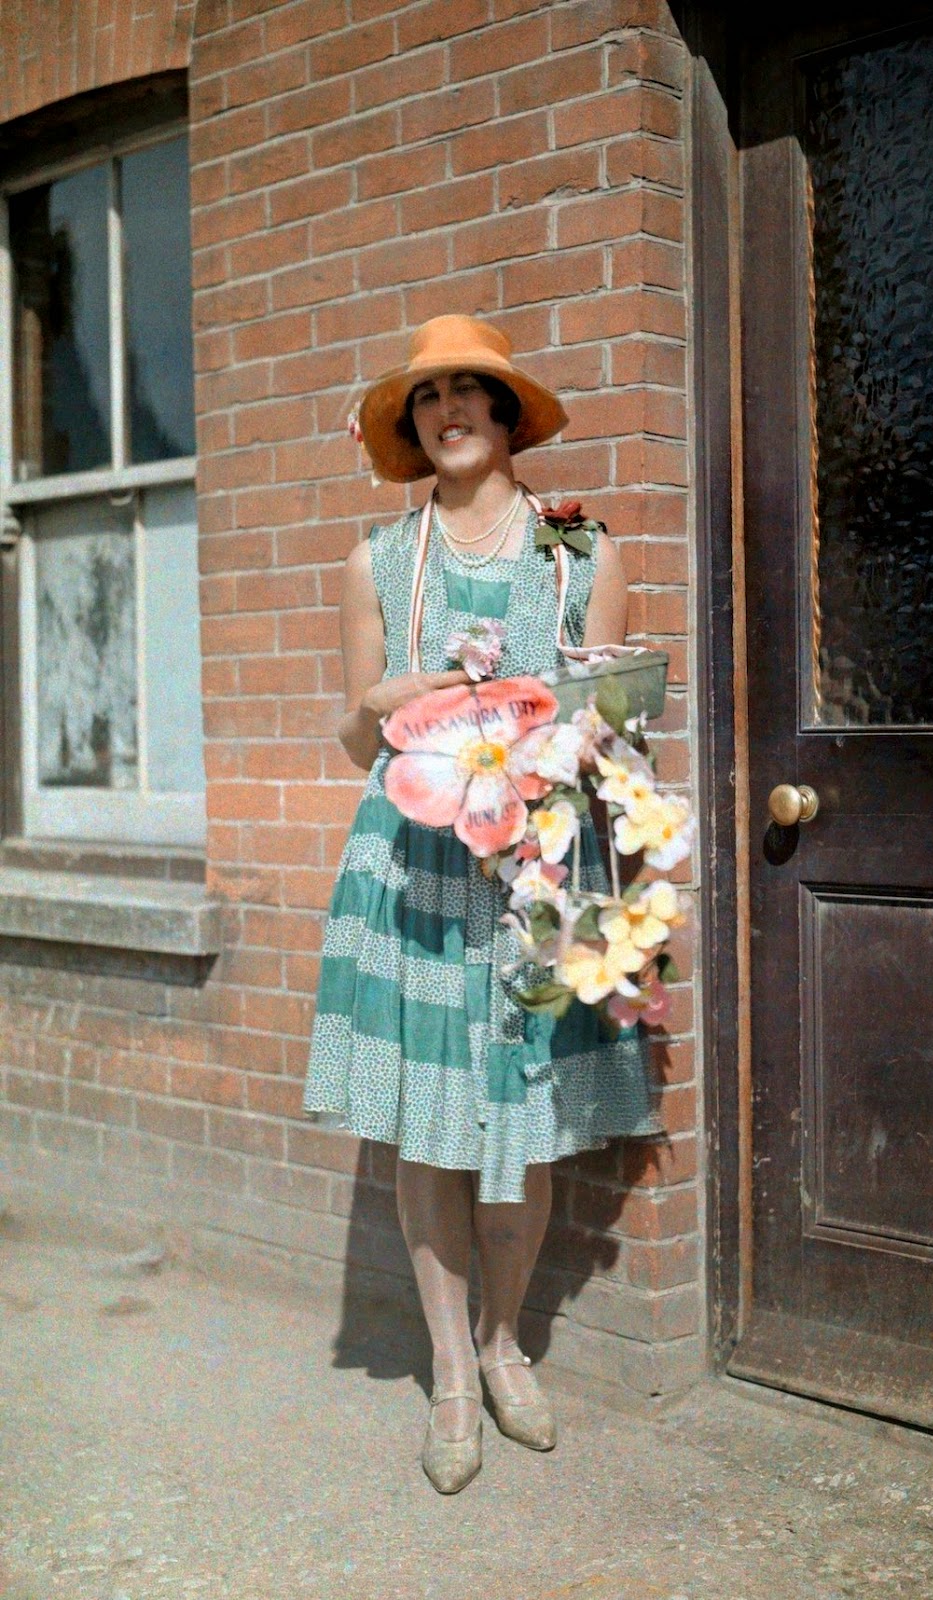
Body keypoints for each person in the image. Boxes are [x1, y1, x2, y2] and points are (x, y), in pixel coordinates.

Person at [302, 314, 658, 1493]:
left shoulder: (582, 552)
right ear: (411, 429)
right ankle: (451, 1371)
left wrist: (586, 727)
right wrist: (391, 695)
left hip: (539, 864)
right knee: (427, 1127)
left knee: (525, 1119)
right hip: (412, 865)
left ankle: (506, 1342)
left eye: (473, 392)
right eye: (427, 398)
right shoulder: (375, 562)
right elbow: (356, 728)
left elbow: (606, 726)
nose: (450, 411)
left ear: (508, 416)